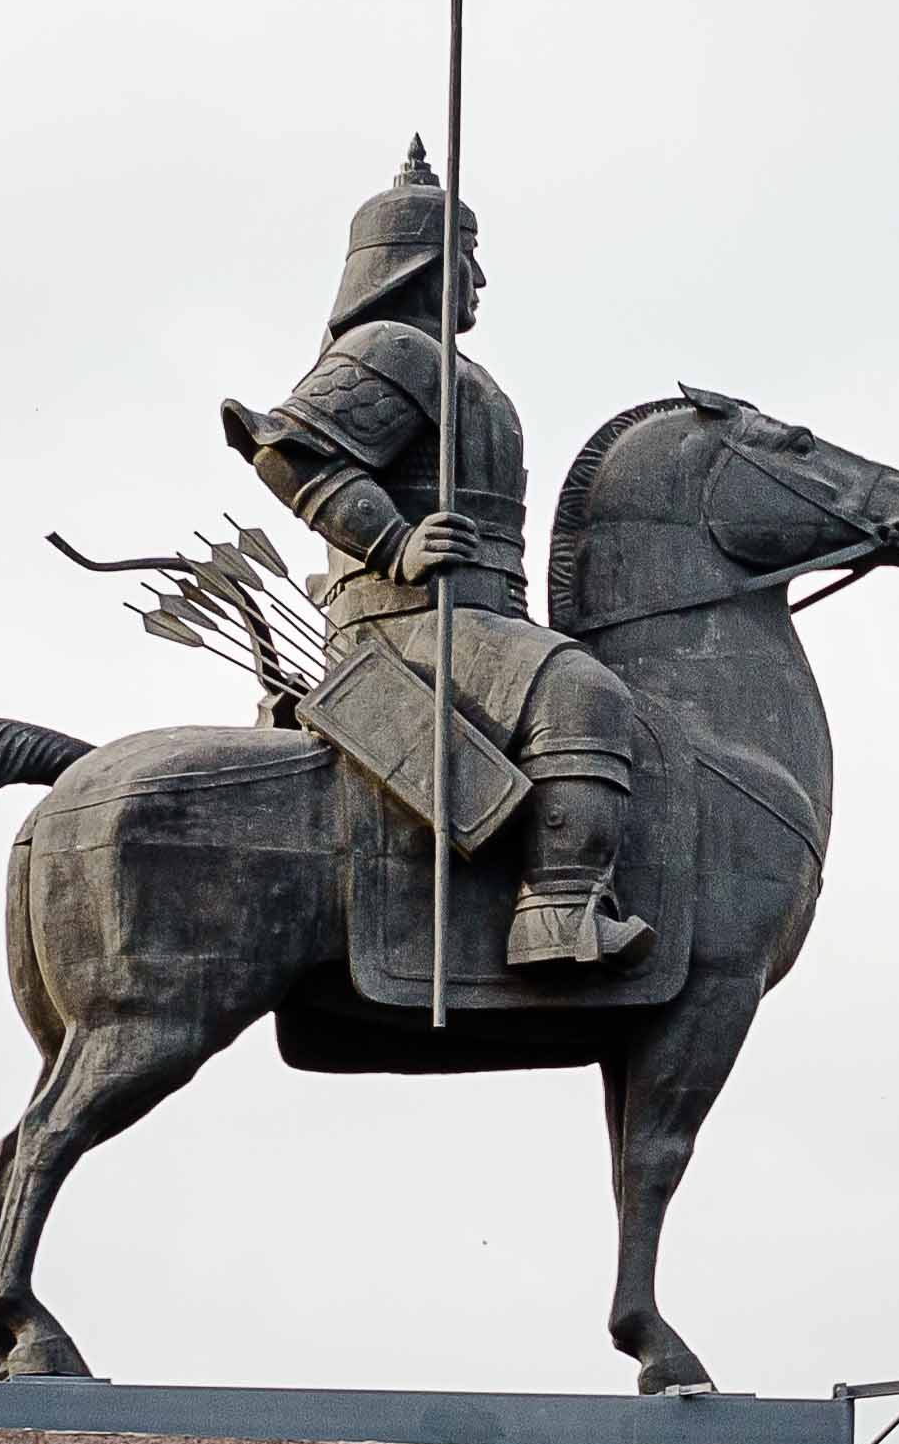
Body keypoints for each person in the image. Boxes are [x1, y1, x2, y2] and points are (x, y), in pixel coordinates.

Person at [222, 145, 645, 967]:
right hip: (409, 621)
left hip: (480, 614)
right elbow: (286, 452)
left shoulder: (447, 363)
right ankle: (555, 913)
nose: (478, 278)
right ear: (419, 262)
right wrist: (396, 541)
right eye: (465, 257)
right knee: (581, 691)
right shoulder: (390, 348)